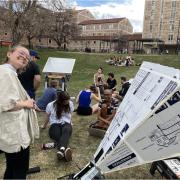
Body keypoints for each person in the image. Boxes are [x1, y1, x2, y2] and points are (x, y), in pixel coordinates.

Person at [0, 45, 39, 179]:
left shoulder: (9, 72)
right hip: (15, 133)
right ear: (9, 53)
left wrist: (27, 102)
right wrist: (26, 103)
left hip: (13, 132)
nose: (24, 58)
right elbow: (7, 104)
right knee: (19, 172)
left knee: (12, 168)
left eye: (27, 58)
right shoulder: (6, 72)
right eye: (21, 53)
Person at [41, 91, 74, 162]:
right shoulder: (50, 105)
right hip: (54, 125)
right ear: (60, 100)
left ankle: (61, 150)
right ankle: (64, 150)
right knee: (59, 135)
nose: (67, 102)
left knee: (66, 131)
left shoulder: (70, 104)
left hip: (66, 123)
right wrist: (44, 126)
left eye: (68, 100)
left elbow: (70, 115)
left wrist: (71, 123)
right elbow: (47, 117)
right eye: (66, 101)